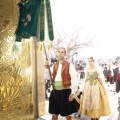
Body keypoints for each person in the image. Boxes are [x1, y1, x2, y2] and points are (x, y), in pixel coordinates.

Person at [46, 44, 78, 120]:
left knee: (67, 113)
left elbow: (74, 79)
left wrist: (73, 92)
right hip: (55, 92)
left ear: (65, 54)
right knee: (54, 113)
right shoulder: (54, 65)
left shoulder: (70, 65)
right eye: (59, 52)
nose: (60, 53)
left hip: (65, 92)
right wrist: (46, 66)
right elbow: (47, 76)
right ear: (57, 54)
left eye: (62, 52)